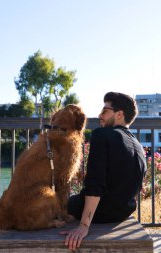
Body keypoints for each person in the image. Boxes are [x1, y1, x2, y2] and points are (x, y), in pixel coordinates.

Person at [60, 92, 147, 250]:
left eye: (105, 111)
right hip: (123, 212)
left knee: (53, 205)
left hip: (100, 212)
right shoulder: (137, 145)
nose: (100, 115)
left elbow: (95, 182)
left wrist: (84, 226)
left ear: (119, 114)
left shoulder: (101, 135)